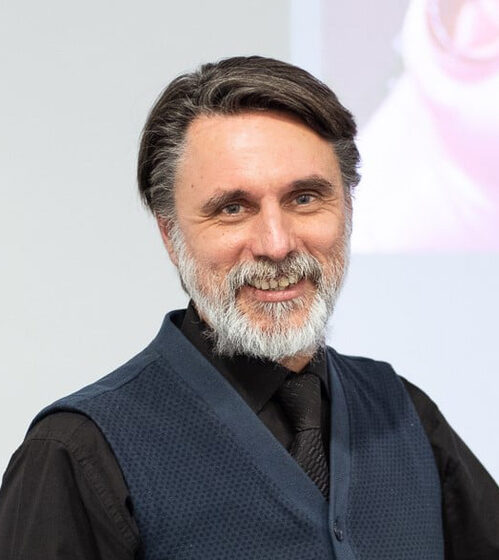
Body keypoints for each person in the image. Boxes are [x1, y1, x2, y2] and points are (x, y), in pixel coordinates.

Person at [0, 56, 497, 559]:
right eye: (232, 208)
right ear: (171, 235)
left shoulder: (403, 414)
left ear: (347, 209)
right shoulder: (78, 454)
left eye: (305, 198)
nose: (277, 245)